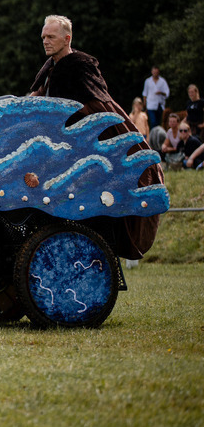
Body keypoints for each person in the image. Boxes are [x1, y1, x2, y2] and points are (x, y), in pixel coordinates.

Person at [29, 15, 164, 260]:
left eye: (51, 37)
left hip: (86, 148)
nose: (45, 41)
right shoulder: (50, 68)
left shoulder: (80, 66)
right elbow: (37, 97)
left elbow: (94, 107)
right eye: (43, 37)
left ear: (67, 38)